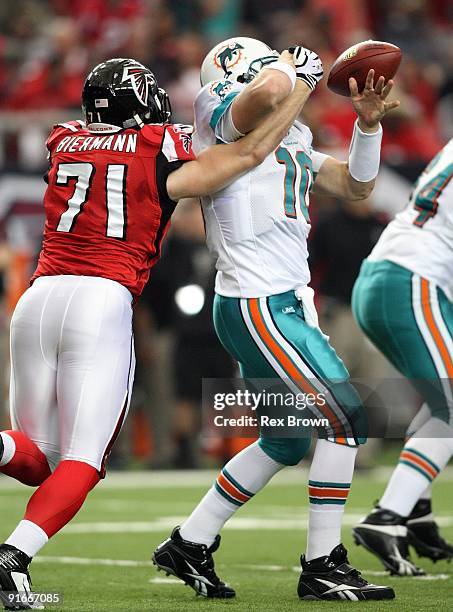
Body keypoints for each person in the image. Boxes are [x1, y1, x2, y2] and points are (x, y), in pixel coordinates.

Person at [0, 55, 307, 607]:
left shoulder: (62, 139)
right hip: (100, 299)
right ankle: (12, 558)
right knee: (82, 461)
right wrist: (298, 88)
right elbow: (250, 152)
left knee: (34, 457)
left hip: (38, 297)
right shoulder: (157, 145)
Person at [153, 38, 400, 601]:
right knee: (348, 418)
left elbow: (356, 187)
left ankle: (189, 542)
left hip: (279, 301)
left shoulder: (290, 132)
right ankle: (322, 565)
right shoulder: (218, 110)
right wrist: (292, 71)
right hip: (257, 302)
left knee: (287, 440)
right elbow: (266, 91)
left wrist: (367, 127)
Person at [352, 138, 453, 575]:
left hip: (395, 275)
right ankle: (388, 516)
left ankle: (415, 515)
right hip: (413, 279)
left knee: (441, 403)